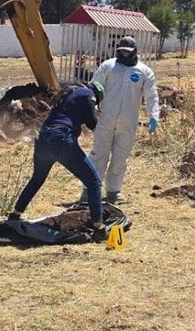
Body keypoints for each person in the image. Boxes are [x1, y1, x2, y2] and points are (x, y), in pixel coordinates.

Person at [10, 81, 107, 237]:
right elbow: (91, 122)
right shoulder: (88, 94)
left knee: (36, 180)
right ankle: (99, 228)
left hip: (43, 138)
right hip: (60, 140)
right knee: (93, 182)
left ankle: (15, 214)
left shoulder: (69, 94)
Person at [87, 36, 160, 203]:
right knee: (99, 155)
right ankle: (89, 190)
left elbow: (151, 96)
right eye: (121, 52)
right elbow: (94, 88)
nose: (124, 55)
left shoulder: (144, 71)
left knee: (120, 157)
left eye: (128, 53)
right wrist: (89, 111)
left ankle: (113, 191)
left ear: (134, 52)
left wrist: (153, 116)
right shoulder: (108, 66)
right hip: (104, 118)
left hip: (128, 122)